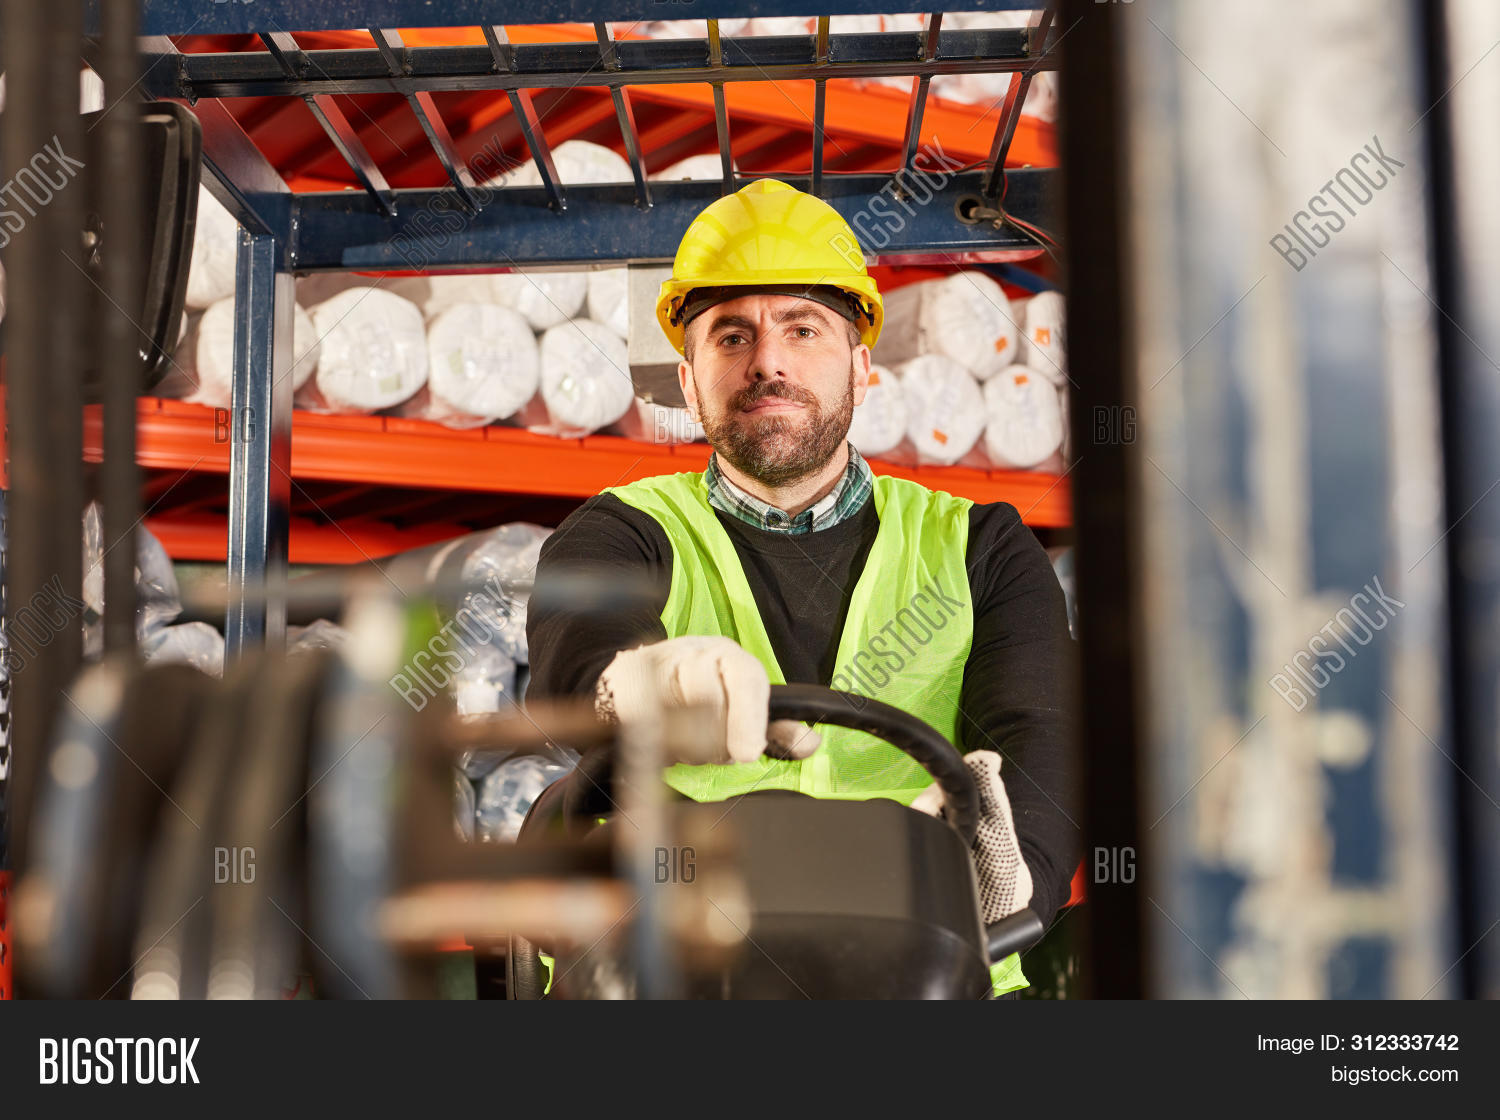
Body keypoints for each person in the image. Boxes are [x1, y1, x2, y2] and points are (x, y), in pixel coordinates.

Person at [526, 179, 1077, 996]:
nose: (768, 362)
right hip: (670, 967)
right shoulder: (621, 530)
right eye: (731, 336)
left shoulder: (981, 547)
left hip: (923, 971)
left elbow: (1042, 738)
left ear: (862, 368)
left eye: (802, 328)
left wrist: (1005, 878)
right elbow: (578, 660)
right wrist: (639, 686)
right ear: (689, 382)